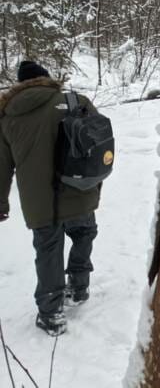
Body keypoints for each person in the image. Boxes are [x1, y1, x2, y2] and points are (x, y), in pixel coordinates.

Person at [0, 61, 101, 336]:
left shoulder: (7, 115)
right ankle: (79, 287)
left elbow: (2, 167)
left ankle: (51, 313)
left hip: (40, 200)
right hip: (78, 188)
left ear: (19, 85)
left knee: (48, 251)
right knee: (83, 233)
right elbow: (100, 140)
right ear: (46, 78)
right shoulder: (74, 100)